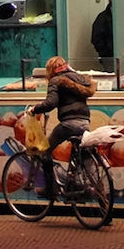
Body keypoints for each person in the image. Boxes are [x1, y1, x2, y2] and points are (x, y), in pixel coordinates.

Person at [27, 55, 95, 197]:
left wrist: (35, 109)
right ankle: (83, 183)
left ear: (51, 70)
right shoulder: (79, 78)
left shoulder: (55, 80)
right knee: (83, 151)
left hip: (69, 123)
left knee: (45, 151)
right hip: (84, 122)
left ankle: (51, 190)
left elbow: (51, 103)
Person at [90, 0, 113, 71]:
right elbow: (96, 38)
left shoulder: (123, 16)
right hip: (108, 58)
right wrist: (106, 52)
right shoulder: (102, 18)